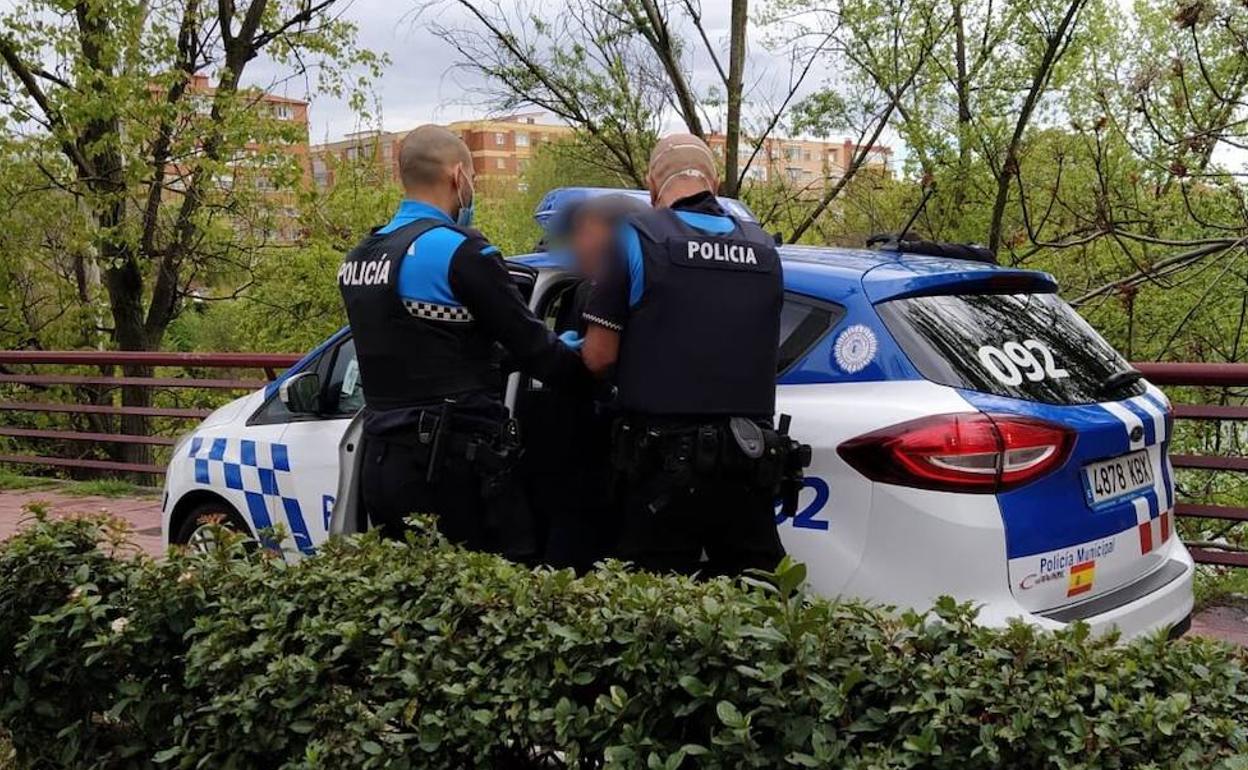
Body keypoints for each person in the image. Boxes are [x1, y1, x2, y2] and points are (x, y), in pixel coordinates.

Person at [338, 124, 587, 559]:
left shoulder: (361, 256)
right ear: (458, 176)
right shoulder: (460, 252)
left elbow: (438, 349)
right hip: (452, 466)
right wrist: (580, 358)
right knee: (492, 582)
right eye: (471, 177)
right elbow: (535, 350)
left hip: (381, 460)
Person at [580, 134, 810, 577]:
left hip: (661, 469)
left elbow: (598, 357)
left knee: (649, 601)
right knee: (758, 595)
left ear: (652, 184)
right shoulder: (764, 247)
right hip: (748, 463)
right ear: (715, 182)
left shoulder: (634, 237)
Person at [520, 194, 648, 572]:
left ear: (618, 238)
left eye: (584, 234)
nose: (576, 245)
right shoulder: (591, 288)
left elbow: (594, 362)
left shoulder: (605, 290)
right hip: (597, 466)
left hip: (596, 467)